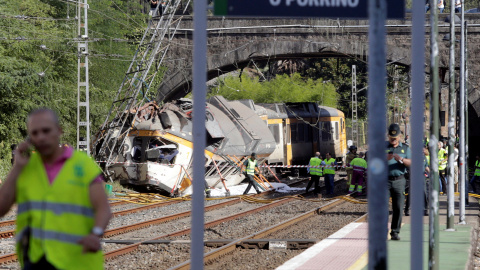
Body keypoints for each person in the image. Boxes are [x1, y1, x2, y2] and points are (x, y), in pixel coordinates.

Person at [0, 108, 112, 270]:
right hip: (36, 260)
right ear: (29, 138)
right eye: (35, 133)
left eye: (46, 131)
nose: (41, 137)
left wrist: (95, 233)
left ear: (59, 131)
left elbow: (104, 209)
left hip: (77, 261)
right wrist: (16, 168)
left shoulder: (82, 164)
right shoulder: (25, 168)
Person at [386, 123, 411, 241]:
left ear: (399, 137)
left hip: (399, 181)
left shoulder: (405, 148)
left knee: (398, 207)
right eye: (391, 138)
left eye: (395, 138)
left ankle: (395, 232)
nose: (393, 140)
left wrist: (401, 159)